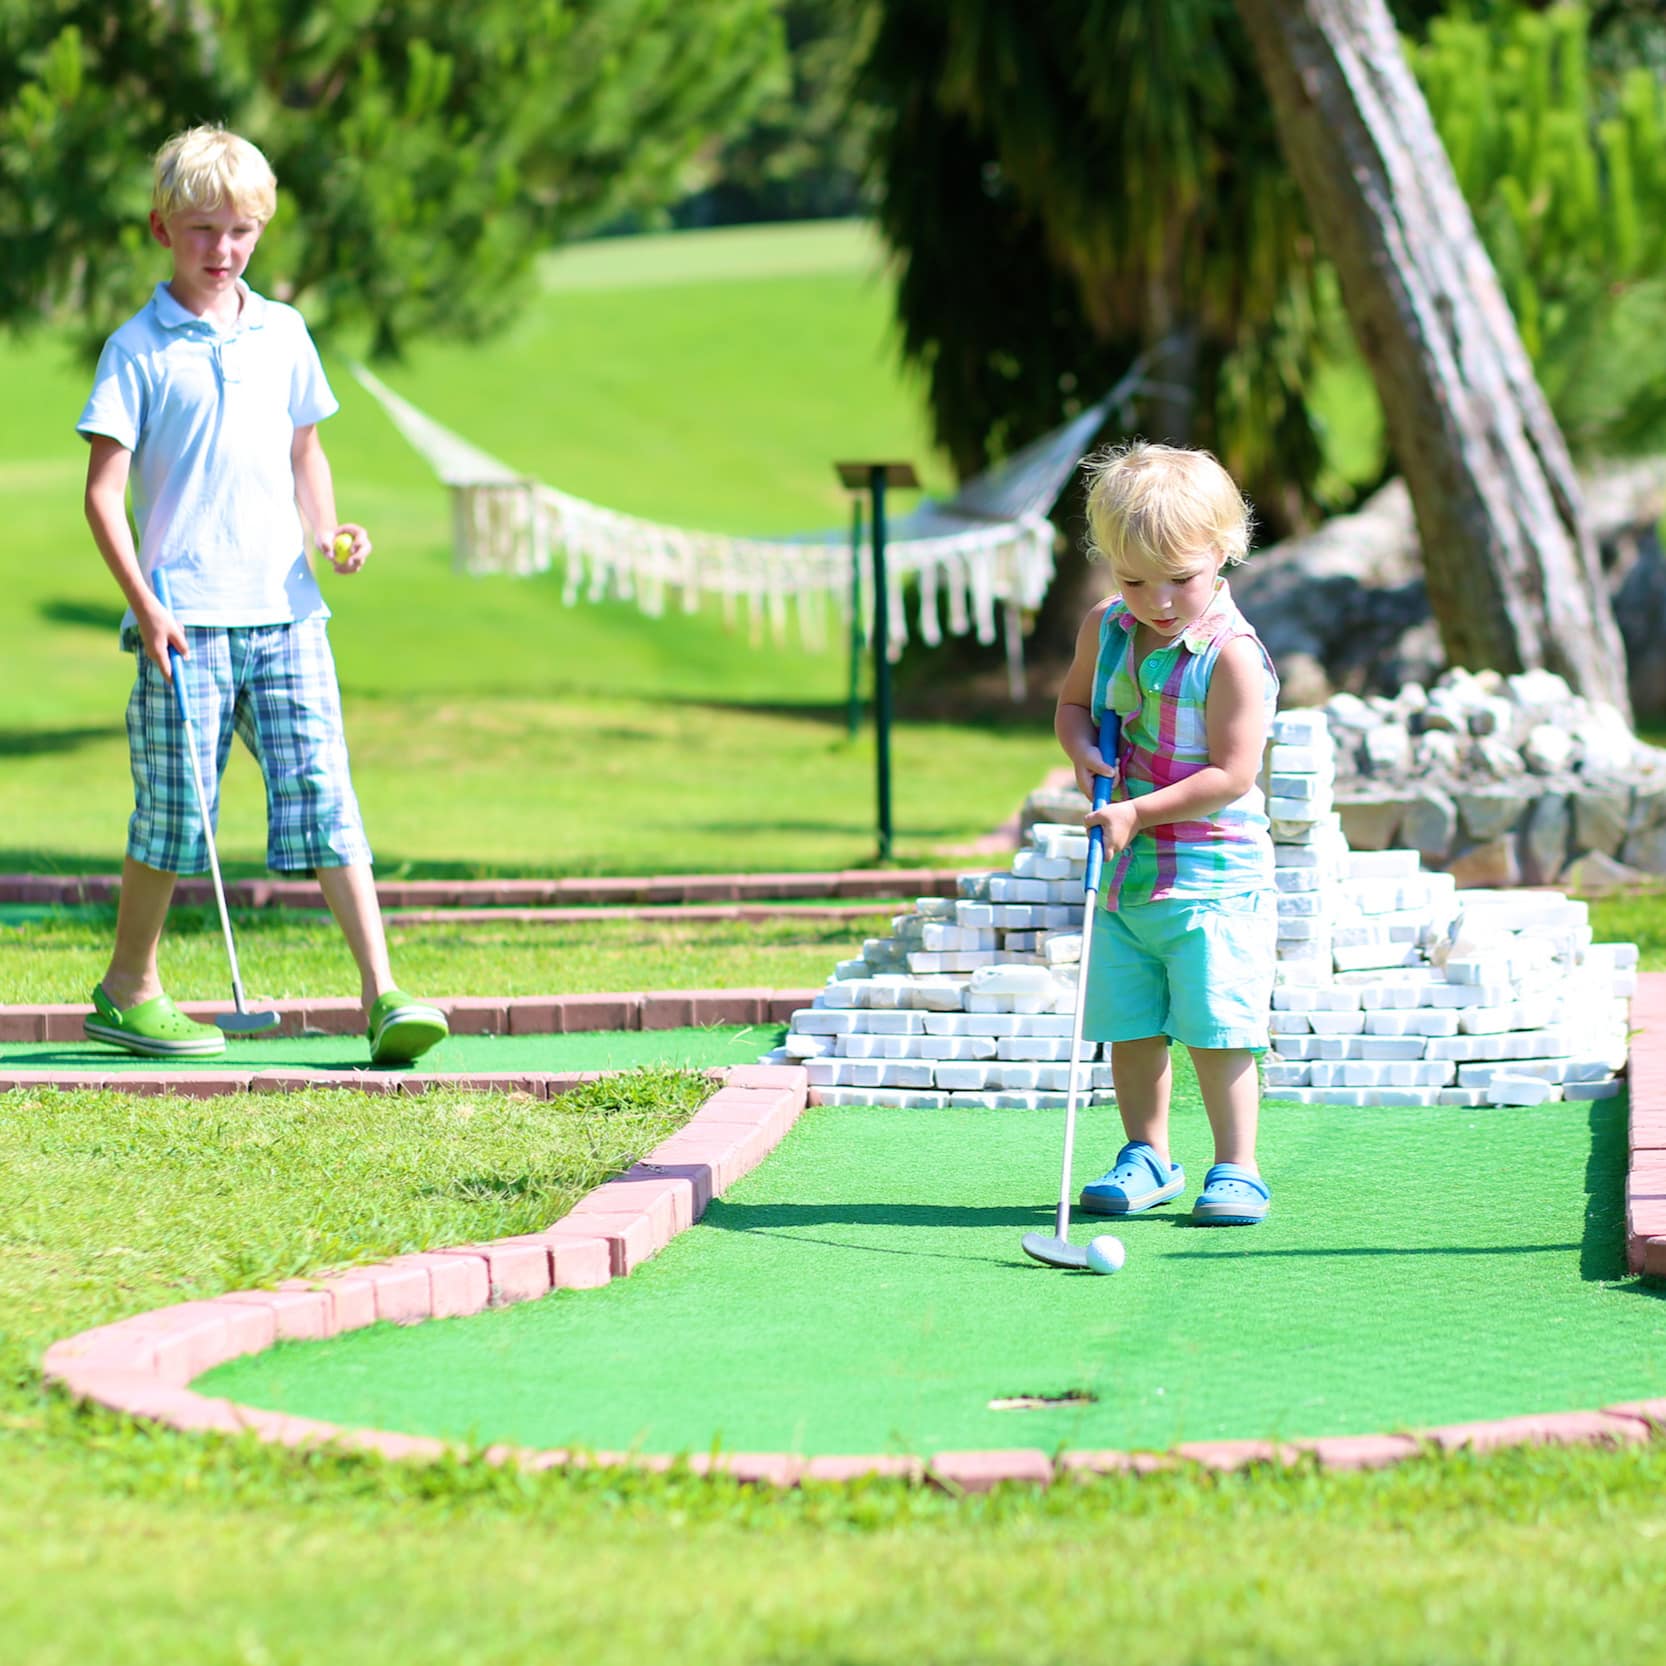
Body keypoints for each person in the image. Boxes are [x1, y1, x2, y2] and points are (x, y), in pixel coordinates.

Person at [76, 124, 448, 1066]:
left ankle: (382, 994)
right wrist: (146, 606)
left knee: (325, 790)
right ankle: (129, 990)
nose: (223, 249)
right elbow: (102, 495)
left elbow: (303, 454)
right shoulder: (135, 349)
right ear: (164, 228)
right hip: (183, 620)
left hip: (286, 611)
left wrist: (328, 535)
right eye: (203, 229)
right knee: (175, 810)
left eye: (241, 230)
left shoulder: (284, 333)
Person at [1054, 441, 1278, 1225]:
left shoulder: (1233, 658)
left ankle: (1237, 1167)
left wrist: (1136, 810)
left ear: (1223, 552)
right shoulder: (1108, 628)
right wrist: (1084, 757)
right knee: (1131, 1024)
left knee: (1217, 1026)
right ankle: (1147, 1154)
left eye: (1179, 579)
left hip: (1211, 876)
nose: (1157, 601)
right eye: (1132, 579)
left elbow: (1233, 774)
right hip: (1124, 874)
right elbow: (1075, 709)